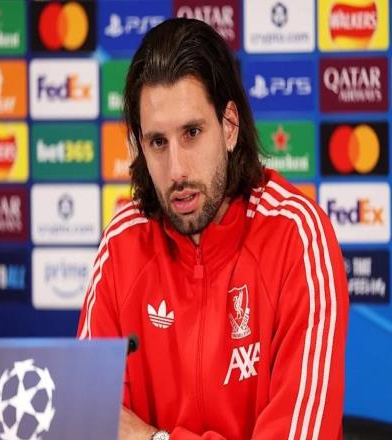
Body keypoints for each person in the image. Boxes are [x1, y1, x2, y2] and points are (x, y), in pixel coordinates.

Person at [78, 18, 348, 440]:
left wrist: (151, 438)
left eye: (192, 133)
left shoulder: (298, 238)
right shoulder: (122, 245)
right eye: (158, 142)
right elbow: (88, 423)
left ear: (229, 126)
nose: (177, 170)